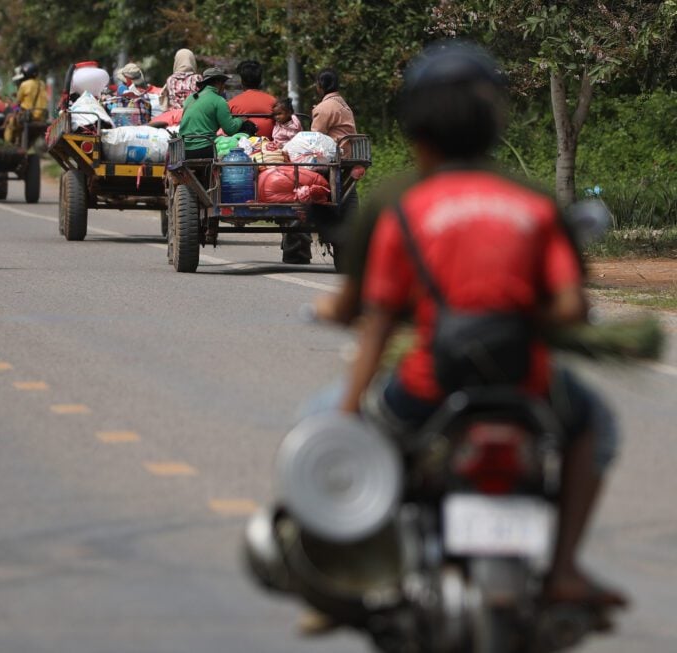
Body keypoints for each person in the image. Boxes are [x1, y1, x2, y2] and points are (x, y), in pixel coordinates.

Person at [316, 41, 625, 609]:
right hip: (525, 382)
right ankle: (562, 571)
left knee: (342, 432)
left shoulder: (402, 206)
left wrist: (346, 411)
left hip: (431, 381)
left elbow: (379, 322)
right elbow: (572, 309)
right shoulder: (532, 204)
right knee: (594, 426)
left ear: (415, 127)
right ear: (495, 121)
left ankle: (362, 576)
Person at [283, 69, 361, 264]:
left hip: (329, 160)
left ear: (320, 85)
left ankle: (296, 246)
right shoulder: (343, 104)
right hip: (343, 158)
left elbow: (314, 139)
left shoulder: (325, 108)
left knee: (293, 180)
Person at [178, 68, 257, 161]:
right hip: (204, 149)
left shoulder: (190, 98)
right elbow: (230, 130)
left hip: (182, 149)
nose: (224, 87)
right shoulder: (219, 101)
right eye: (224, 84)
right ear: (218, 82)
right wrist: (241, 119)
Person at [227, 60, 276, 138]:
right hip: (269, 147)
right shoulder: (273, 101)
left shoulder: (231, 104)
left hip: (240, 147)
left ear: (242, 81)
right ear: (260, 80)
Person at [4, 62, 48, 142]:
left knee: (10, 116)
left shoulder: (24, 84)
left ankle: (7, 143)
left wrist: (13, 108)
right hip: (41, 116)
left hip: (28, 116)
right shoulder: (42, 84)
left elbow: (18, 102)